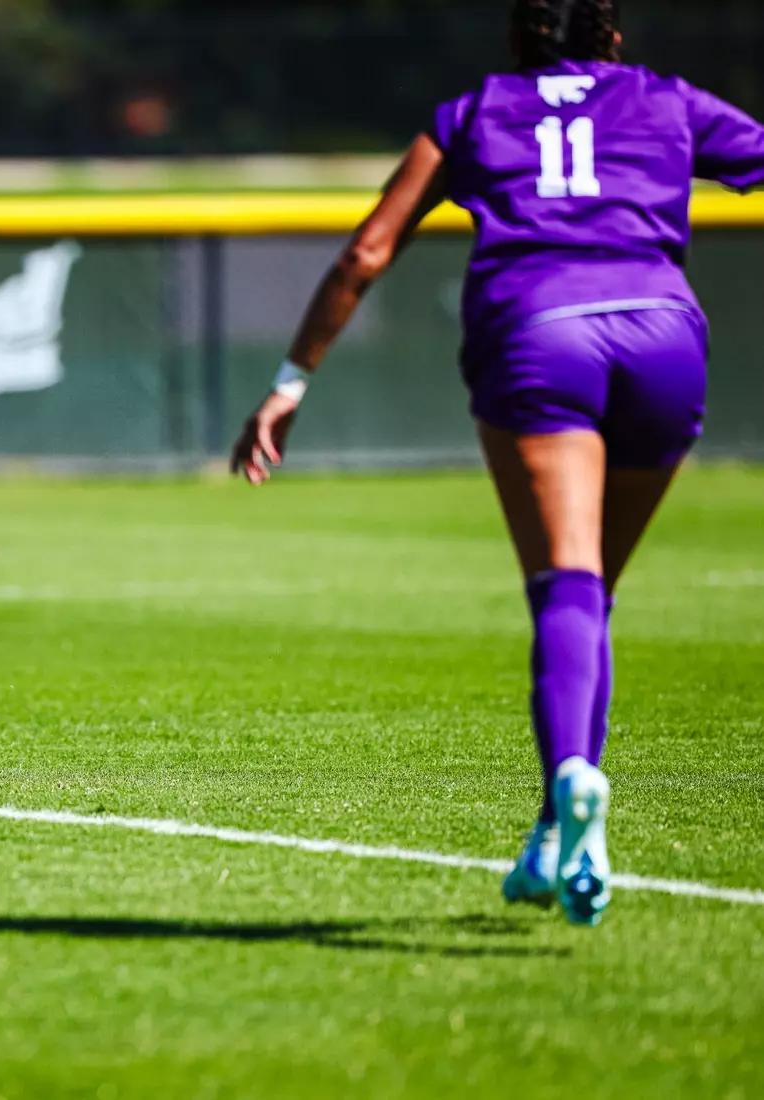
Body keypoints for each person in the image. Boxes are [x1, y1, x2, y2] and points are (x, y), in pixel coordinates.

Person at [228, 0, 764, 926]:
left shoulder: (477, 111)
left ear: (518, 40)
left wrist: (290, 381)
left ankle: (570, 783)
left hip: (541, 333)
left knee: (566, 587)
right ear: (613, 37)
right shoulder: (667, 99)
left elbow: (366, 252)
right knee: (594, 592)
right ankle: (554, 829)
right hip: (666, 335)